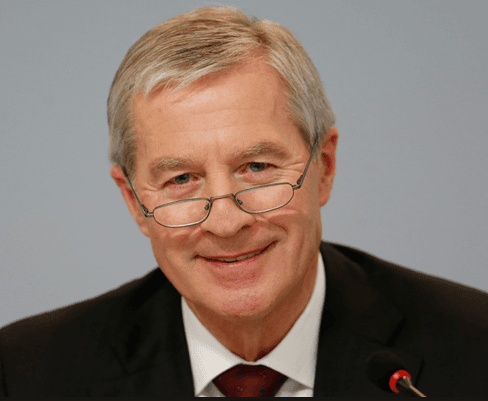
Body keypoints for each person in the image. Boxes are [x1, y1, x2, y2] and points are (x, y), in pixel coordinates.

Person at [1, 6, 487, 398]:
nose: (227, 222)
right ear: (133, 201)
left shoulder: (474, 351)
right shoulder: (26, 375)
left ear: (323, 167)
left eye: (256, 167)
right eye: (181, 179)